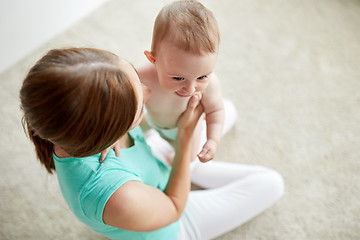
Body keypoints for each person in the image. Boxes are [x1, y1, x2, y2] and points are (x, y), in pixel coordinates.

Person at [20, 47, 284, 240]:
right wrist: (185, 139)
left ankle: (193, 161)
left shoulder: (78, 130)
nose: (149, 91)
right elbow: (173, 207)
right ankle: (194, 164)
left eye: (137, 80)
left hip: (149, 169)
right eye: (139, 102)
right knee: (271, 183)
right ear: (109, 132)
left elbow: (142, 122)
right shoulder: (114, 196)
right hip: (173, 223)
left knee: (225, 109)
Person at [137, 0, 224, 163]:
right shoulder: (143, 75)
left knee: (187, 159)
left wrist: (212, 140)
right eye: (178, 78)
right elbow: (123, 97)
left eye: (202, 77)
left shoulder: (211, 84)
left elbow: (216, 111)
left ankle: (169, 159)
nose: (191, 89)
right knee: (127, 133)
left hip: (184, 129)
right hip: (151, 119)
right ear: (153, 59)